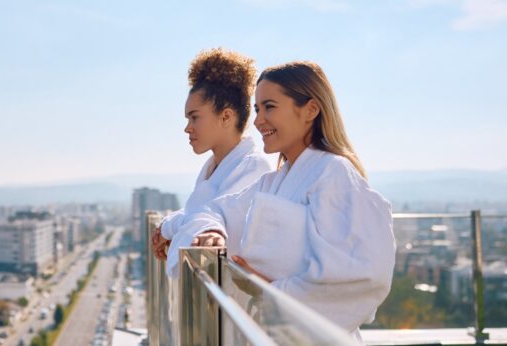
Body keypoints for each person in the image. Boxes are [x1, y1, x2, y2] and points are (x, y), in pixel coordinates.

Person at [175, 61, 396, 343]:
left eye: (269, 107)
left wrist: (274, 292)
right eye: (257, 109)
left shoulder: (334, 174)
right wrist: (212, 231)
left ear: (310, 110)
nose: (257, 120)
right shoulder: (273, 181)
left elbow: (366, 274)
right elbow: (214, 210)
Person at [151, 48, 271, 272]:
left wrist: (168, 227)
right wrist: (169, 225)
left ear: (226, 116)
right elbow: (197, 213)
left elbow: (209, 220)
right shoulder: (214, 167)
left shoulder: (254, 168)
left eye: (195, 117)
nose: (188, 128)